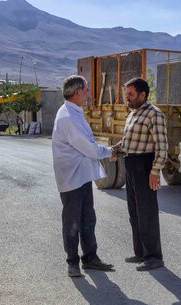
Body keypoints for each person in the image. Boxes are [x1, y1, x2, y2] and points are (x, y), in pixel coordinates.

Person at [52, 75, 115, 277]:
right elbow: (87, 146)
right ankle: (72, 262)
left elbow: (87, 143)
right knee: (72, 221)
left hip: (82, 175)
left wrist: (105, 151)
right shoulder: (68, 117)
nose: (88, 94)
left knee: (88, 218)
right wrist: (109, 152)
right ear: (77, 92)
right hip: (71, 178)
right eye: (86, 90)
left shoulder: (75, 112)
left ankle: (90, 258)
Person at [112, 77, 168, 271]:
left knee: (147, 213)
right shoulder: (133, 113)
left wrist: (155, 171)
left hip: (145, 165)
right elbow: (128, 141)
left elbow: (162, 146)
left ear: (143, 95)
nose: (127, 97)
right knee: (134, 212)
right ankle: (140, 253)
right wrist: (115, 150)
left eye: (130, 94)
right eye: (126, 94)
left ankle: (154, 257)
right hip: (131, 164)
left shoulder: (154, 114)